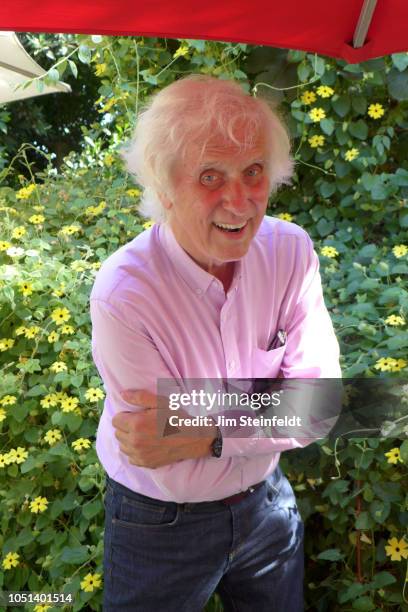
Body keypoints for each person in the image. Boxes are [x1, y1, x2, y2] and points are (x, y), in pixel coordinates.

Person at [89, 74, 341, 612]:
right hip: (159, 521)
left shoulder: (291, 253)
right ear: (164, 187)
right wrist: (272, 403)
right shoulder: (123, 295)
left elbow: (321, 405)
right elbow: (148, 437)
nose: (241, 200)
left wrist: (201, 430)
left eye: (253, 172)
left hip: (266, 505)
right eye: (210, 176)